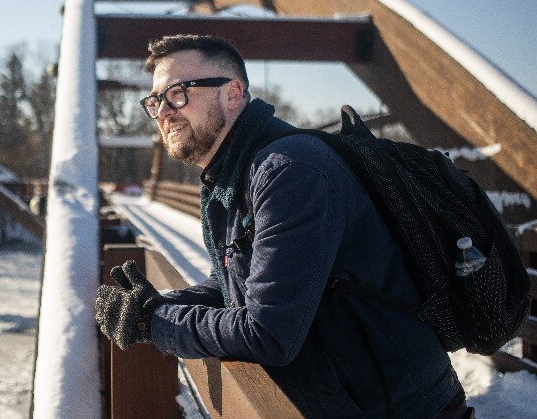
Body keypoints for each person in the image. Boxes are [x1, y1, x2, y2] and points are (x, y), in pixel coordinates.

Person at [95, 34, 470, 418]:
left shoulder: (289, 172)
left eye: (177, 94)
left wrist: (155, 322)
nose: (163, 112)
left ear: (232, 93)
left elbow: (268, 333)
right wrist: (154, 306)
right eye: (155, 101)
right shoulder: (230, 176)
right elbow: (232, 287)